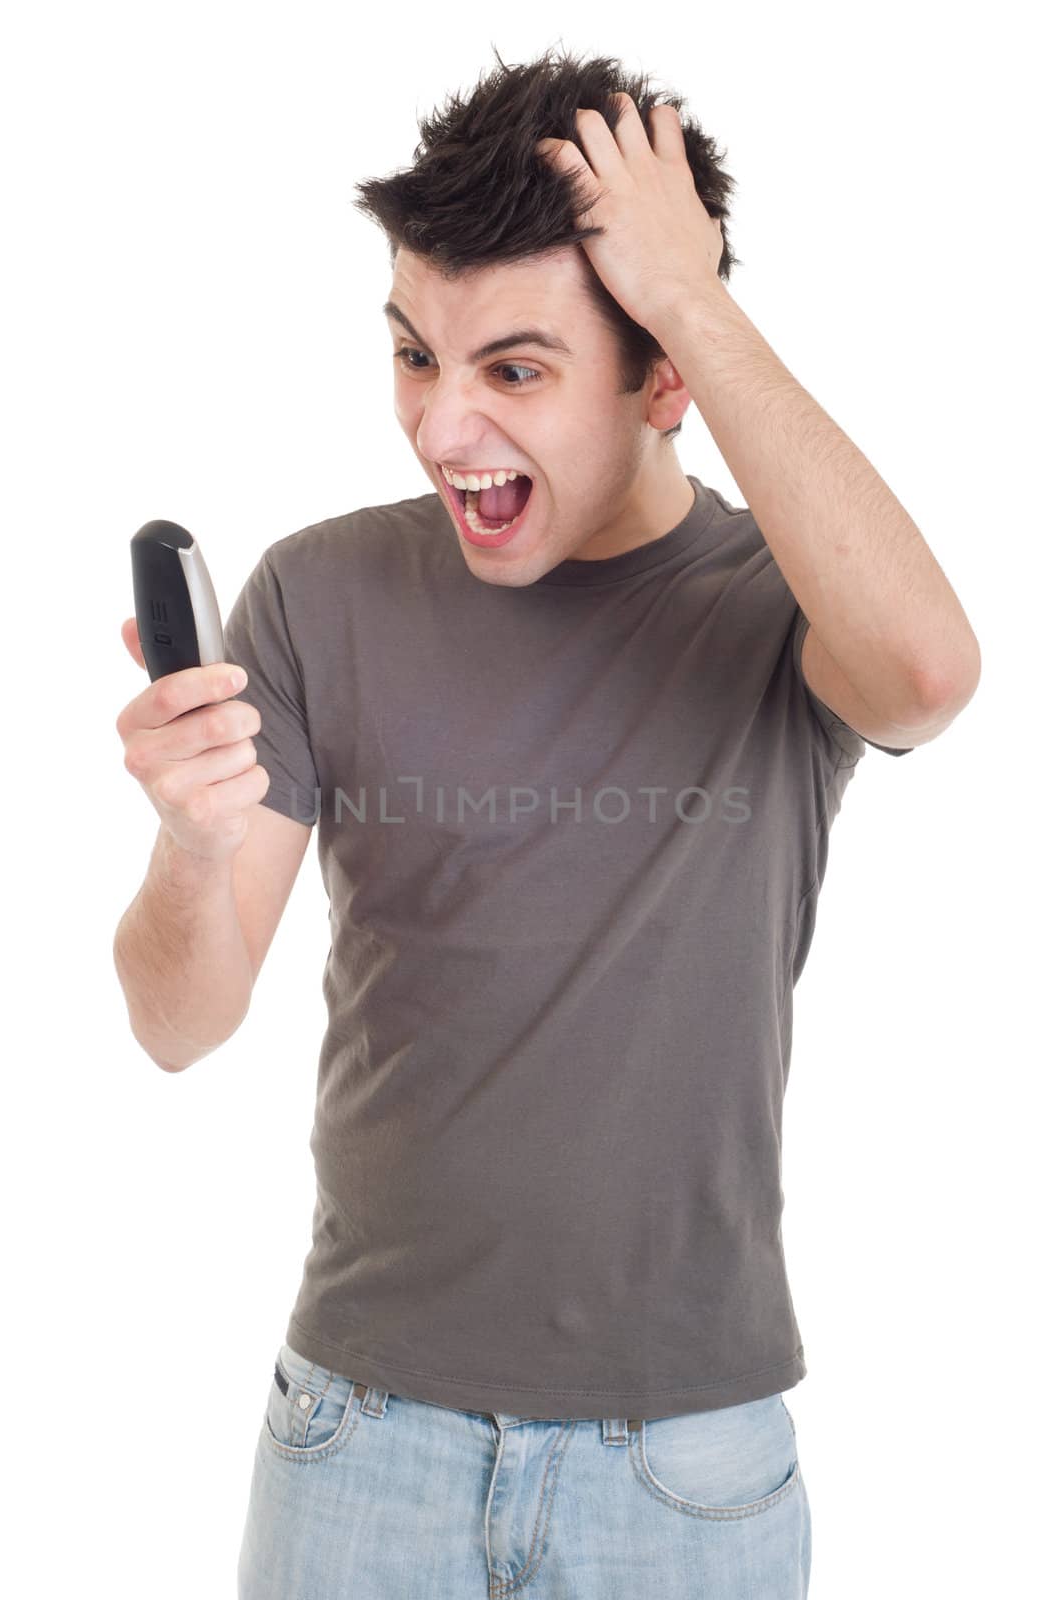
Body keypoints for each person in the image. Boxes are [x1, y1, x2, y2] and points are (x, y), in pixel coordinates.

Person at [113, 45, 980, 1600]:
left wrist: (694, 300)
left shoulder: (778, 605)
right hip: (359, 1439)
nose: (442, 428)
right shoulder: (319, 593)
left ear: (664, 379)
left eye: (513, 369)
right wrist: (189, 841)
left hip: (686, 1461)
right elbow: (178, 1025)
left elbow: (927, 675)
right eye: (413, 357)